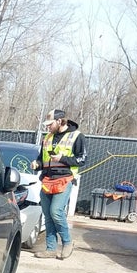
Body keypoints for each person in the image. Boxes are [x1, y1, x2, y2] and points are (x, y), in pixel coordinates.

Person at [31, 108, 86, 259]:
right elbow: (42, 159)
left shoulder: (76, 136)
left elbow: (82, 159)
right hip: (47, 180)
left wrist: (62, 158)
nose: (48, 127)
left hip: (64, 179)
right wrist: (37, 163)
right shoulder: (47, 137)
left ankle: (68, 242)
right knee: (47, 215)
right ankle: (51, 249)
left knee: (56, 212)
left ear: (60, 121)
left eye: (50, 124)